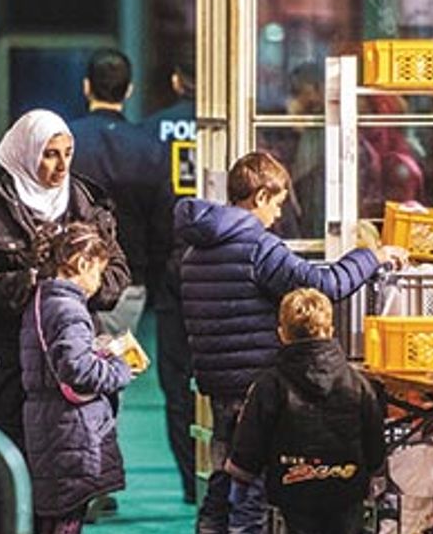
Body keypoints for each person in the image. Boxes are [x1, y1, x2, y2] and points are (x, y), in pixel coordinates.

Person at [174, 151, 406, 534]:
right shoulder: (257, 248)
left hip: (219, 385)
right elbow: (325, 286)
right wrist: (373, 256)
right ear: (260, 197)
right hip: (257, 388)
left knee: (228, 473)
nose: (278, 215)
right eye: (277, 204)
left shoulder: (196, 251)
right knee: (252, 488)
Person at [0, 109, 130, 534]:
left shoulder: (87, 204)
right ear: (26, 155)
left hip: (65, 368)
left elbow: (116, 274)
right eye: (49, 155)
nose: (61, 166)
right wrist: (29, 284)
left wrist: (74, 286)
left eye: (68, 153)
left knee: (63, 482)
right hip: (6, 371)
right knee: (8, 473)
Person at [226, 288, 385, 534]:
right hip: (346, 486)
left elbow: (251, 439)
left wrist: (241, 476)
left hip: (293, 486)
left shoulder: (270, 385)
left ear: (282, 334)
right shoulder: (357, 383)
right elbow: (373, 433)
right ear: (331, 331)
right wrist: (377, 471)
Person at [20, 222, 137, 534]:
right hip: (71, 428)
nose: (100, 283)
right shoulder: (69, 309)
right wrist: (121, 369)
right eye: (98, 271)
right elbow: (78, 370)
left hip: (49, 423)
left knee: (52, 515)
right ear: (83, 263)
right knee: (67, 517)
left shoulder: (40, 301)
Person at [67, 48, 166, 346]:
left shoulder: (66, 141)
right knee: (113, 369)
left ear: (86, 87)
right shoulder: (149, 147)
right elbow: (160, 219)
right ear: (129, 90)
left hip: (69, 273)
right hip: (128, 279)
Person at [140, 56, 200, 502]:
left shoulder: (152, 131)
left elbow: (143, 209)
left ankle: (189, 481)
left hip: (169, 280)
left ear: (177, 80)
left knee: (177, 385)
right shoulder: (233, 124)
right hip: (227, 281)